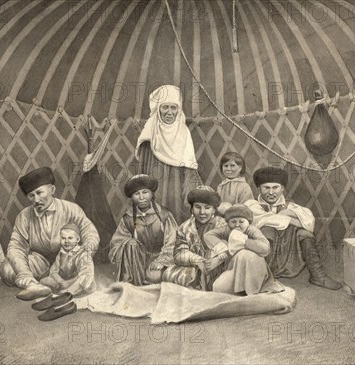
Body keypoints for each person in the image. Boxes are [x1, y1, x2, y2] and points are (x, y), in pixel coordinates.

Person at [0, 167, 100, 300]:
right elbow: (16, 246)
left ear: (52, 190)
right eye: (31, 195)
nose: (36, 199)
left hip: (68, 261)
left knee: (83, 271)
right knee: (6, 269)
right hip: (41, 260)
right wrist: (25, 275)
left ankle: (64, 285)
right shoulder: (24, 216)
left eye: (39, 193)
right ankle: (36, 286)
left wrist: (85, 250)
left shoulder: (71, 209)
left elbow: (90, 232)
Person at [245, 167, 342, 290]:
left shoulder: (290, 207)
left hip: (289, 250)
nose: (271, 192)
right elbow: (263, 219)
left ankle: (318, 275)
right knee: (267, 230)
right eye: (266, 187)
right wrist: (291, 219)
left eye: (275, 187)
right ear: (259, 188)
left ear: (282, 188)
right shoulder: (252, 205)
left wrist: (289, 213)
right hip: (266, 250)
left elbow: (309, 224)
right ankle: (262, 277)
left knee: (305, 234)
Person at [136, 84, 202, 224]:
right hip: (154, 183)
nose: (169, 112)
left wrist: (189, 194)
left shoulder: (183, 132)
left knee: (176, 217)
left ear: (179, 109)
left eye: (174, 107)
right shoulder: (150, 132)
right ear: (158, 108)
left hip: (177, 187)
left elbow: (189, 166)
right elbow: (142, 167)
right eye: (165, 107)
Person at [108, 174, 178, 285]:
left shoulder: (164, 215)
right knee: (130, 244)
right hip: (136, 262)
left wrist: (161, 261)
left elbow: (173, 241)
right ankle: (133, 284)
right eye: (136, 194)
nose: (141, 197)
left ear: (152, 193)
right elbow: (116, 243)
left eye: (145, 192)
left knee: (154, 276)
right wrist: (129, 249)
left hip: (159, 260)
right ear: (132, 197)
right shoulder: (128, 218)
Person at [204, 205, 283, 295]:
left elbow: (265, 248)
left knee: (244, 254)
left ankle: (250, 291)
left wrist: (245, 242)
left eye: (241, 221)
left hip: (254, 267)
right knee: (218, 287)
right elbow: (208, 235)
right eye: (233, 222)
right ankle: (239, 289)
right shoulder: (227, 230)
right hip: (234, 267)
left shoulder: (252, 230)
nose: (237, 225)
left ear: (248, 222)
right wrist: (222, 249)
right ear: (228, 222)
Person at [162, 186, 227, 290]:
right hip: (195, 267)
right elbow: (179, 253)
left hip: (219, 267)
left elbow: (231, 247)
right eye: (198, 207)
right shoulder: (185, 227)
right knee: (168, 274)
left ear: (214, 209)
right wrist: (198, 260)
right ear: (192, 209)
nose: (202, 212)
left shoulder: (222, 225)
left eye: (207, 207)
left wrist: (217, 260)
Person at [39, 224, 96, 296]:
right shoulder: (61, 253)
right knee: (43, 281)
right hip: (64, 281)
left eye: (70, 238)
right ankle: (58, 291)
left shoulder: (83, 254)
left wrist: (68, 283)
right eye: (63, 238)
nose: (66, 241)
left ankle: (66, 293)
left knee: (78, 284)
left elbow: (85, 274)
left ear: (77, 239)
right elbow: (54, 271)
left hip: (78, 282)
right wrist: (61, 281)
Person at [216, 152, 254, 216]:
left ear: (240, 168)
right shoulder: (221, 186)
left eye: (232, 166)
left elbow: (247, 208)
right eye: (225, 166)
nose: (228, 169)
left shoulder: (244, 187)